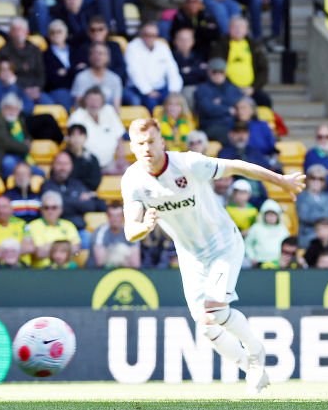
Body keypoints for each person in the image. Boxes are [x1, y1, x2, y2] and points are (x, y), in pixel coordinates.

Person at [121, 118, 305, 394]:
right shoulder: (133, 181)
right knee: (206, 326)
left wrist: (280, 180)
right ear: (133, 147)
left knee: (215, 308)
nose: (147, 148)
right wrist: (144, 228)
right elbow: (130, 229)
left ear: (162, 141)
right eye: (140, 144)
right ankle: (251, 367)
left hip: (223, 244)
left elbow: (237, 166)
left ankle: (256, 352)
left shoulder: (188, 164)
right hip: (190, 255)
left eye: (151, 142)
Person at [210, 16, 270, 107]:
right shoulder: (220, 45)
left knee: (265, 101)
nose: (238, 30)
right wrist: (231, 87)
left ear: (246, 30)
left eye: (241, 27)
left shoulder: (254, 46)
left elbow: (263, 69)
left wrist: (253, 88)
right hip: (227, 88)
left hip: (250, 88)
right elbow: (216, 68)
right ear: (229, 29)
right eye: (235, 27)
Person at [41, 151, 107, 232]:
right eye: (59, 163)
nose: (63, 167)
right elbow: (60, 208)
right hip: (55, 229)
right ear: (53, 165)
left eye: (66, 164)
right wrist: (79, 201)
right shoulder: (47, 185)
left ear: (71, 166)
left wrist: (66, 200)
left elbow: (90, 205)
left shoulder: (77, 184)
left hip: (79, 229)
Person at [125, 22, 183, 109]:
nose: (150, 38)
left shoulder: (162, 47)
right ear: (141, 35)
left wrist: (174, 91)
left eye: (153, 35)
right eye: (147, 35)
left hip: (161, 88)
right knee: (151, 102)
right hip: (138, 88)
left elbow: (172, 70)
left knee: (174, 102)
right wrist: (148, 91)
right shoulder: (132, 47)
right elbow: (134, 72)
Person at [67, 88, 126, 170]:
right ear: (85, 101)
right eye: (91, 100)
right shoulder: (77, 116)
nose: (94, 103)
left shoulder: (109, 111)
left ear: (102, 101)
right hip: (86, 164)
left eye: (97, 100)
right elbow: (73, 143)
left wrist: (121, 158)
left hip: (110, 162)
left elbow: (119, 137)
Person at [23, 190, 82, 267]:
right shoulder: (31, 226)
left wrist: (48, 247)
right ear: (41, 210)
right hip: (41, 271)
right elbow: (39, 253)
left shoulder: (68, 225)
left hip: (66, 269)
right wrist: (65, 249)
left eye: (54, 207)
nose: (50, 211)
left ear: (60, 209)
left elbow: (76, 250)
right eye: (46, 208)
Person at [194, 58, 243, 142]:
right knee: (229, 136)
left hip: (232, 125)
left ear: (225, 73)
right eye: (214, 72)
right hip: (210, 125)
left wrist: (219, 103)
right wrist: (227, 109)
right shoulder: (202, 89)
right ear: (209, 73)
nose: (218, 75)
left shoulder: (232, 88)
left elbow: (239, 103)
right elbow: (207, 109)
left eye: (221, 72)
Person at [70, 43, 123, 108]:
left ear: (108, 57)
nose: (97, 56)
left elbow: (116, 107)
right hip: (86, 114)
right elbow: (78, 105)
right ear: (89, 57)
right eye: (94, 53)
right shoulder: (81, 77)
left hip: (107, 115)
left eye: (101, 53)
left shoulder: (115, 79)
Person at [297, 164, 328, 246]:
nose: (317, 181)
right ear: (307, 179)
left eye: (321, 179)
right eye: (313, 178)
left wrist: (317, 216)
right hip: (309, 234)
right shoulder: (302, 196)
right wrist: (324, 218)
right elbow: (305, 216)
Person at [89, 203, 140, 268]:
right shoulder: (100, 233)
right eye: (112, 216)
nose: (115, 219)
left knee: (122, 249)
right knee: (121, 249)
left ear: (123, 216)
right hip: (97, 273)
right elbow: (100, 263)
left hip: (125, 271)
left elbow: (136, 264)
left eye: (118, 216)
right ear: (107, 216)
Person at [245, 199, 289, 267]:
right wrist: (252, 257)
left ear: (278, 216)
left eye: (273, 215)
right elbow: (248, 244)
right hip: (259, 263)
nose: (271, 217)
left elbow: (287, 246)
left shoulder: (283, 229)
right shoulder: (256, 228)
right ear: (263, 215)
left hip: (278, 263)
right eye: (268, 214)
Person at [63, 123, 102, 192]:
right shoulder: (62, 157)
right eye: (73, 135)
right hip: (66, 192)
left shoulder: (92, 159)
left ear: (85, 137)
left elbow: (95, 181)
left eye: (80, 135)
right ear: (68, 138)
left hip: (86, 193)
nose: (76, 138)